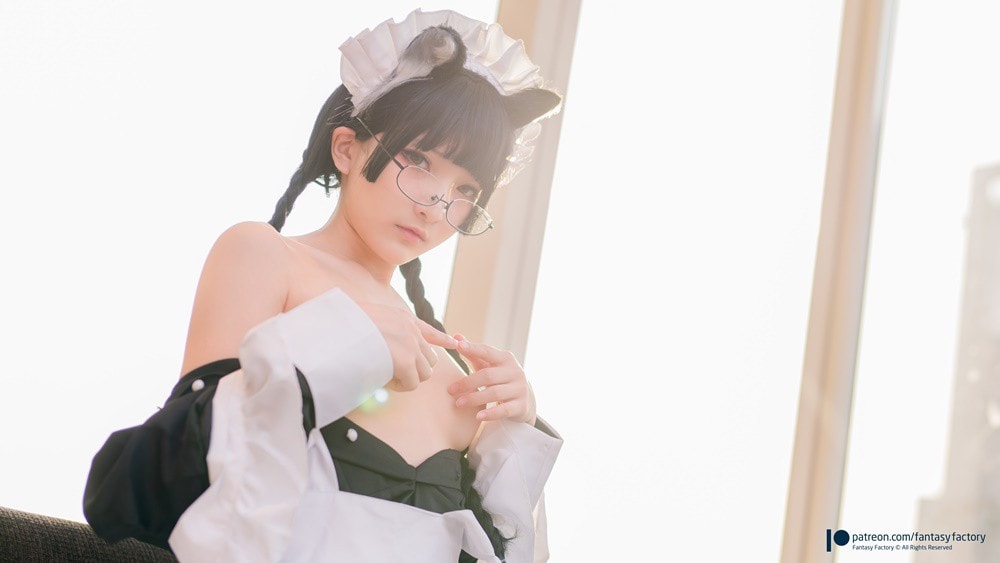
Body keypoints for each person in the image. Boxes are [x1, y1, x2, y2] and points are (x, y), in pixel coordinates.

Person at [83, 8, 564, 563]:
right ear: (347, 148)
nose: (436, 206)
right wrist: (337, 347)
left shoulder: (452, 378)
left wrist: (515, 432)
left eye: (466, 189)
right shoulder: (265, 257)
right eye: (417, 159)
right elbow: (145, 490)